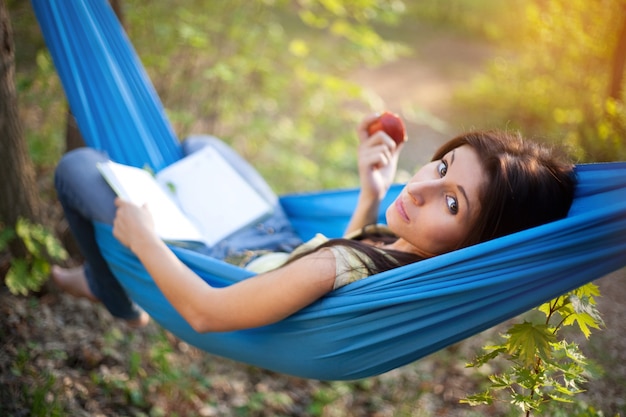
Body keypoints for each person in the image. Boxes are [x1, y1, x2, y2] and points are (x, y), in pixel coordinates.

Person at [52, 113, 577, 331]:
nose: (417, 189)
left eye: (453, 202)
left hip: (218, 262)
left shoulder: (330, 267)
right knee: (197, 148)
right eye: (440, 165)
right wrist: (370, 195)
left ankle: (112, 292)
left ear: (482, 244)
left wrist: (143, 241)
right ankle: (105, 278)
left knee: (77, 168)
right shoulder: (406, 252)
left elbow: (206, 314)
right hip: (273, 239)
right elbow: (360, 257)